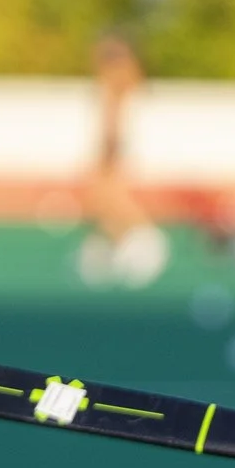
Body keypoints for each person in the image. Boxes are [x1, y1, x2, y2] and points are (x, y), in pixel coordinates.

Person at [77, 34, 170, 288]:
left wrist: (106, 154)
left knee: (109, 198)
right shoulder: (121, 86)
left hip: (114, 150)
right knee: (104, 200)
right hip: (114, 149)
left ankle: (144, 243)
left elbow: (111, 127)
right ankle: (120, 247)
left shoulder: (114, 86)